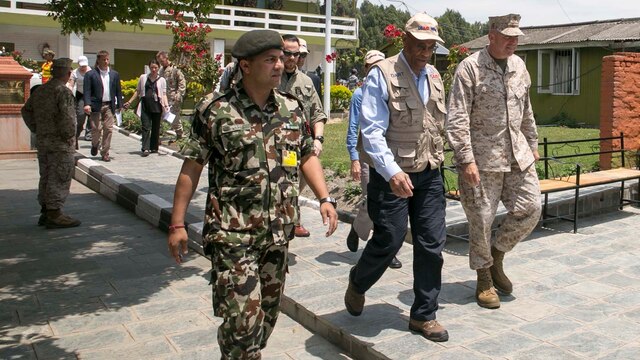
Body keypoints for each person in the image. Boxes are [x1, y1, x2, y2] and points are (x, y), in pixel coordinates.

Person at [167, 29, 338, 359]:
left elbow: (305, 155)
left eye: (281, 59)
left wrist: (325, 198)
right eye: (270, 60)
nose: (280, 66)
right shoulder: (215, 111)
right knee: (243, 321)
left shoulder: (291, 108)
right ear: (245, 66)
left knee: (265, 318)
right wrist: (177, 225)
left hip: (277, 237)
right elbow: (191, 169)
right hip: (232, 237)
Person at [343, 13, 449, 342]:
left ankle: (423, 315)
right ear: (404, 40)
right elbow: (372, 133)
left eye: (430, 46)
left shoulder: (434, 75)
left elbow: (437, 125)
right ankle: (359, 281)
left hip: (429, 173)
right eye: (420, 45)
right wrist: (392, 172)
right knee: (389, 240)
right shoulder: (382, 74)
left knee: (431, 244)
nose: (425, 52)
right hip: (392, 175)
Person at [446, 14, 541, 310]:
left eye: (516, 37)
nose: (513, 42)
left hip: (517, 155)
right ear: (491, 35)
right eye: (507, 36)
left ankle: (497, 255)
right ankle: (484, 278)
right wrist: (466, 159)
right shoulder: (470, 68)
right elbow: (457, 118)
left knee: (531, 207)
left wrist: (533, 143)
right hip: (482, 160)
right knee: (481, 220)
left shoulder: (519, 66)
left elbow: (526, 110)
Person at [345, 49, 402, 269]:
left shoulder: (394, 88)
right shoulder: (359, 94)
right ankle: (362, 230)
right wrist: (354, 158)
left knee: (392, 203)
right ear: (366, 69)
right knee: (373, 199)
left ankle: (386, 248)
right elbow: (353, 128)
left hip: (394, 156)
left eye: (381, 64)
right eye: (371, 66)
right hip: (369, 157)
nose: (376, 69)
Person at [22, 58, 81, 229]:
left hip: (44, 141)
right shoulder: (62, 92)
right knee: (60, 176)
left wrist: (36, 128)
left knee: (46, 175)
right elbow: (69, 119)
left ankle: (46, 210)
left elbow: (25, 110)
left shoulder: (41, 90)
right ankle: (54, 213)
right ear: (68, 73)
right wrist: (69, 136)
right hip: (60, 144)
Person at [278, 34, 327, 238]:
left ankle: (292, 217)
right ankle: (283, 220)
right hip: (274, 145)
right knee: (278, 185)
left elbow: (317, 113)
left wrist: (318, 139)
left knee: (297, 184)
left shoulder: (306, 82)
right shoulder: (271, 77)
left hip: (301, 145)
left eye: (295, 54)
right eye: (287, 53)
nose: (291, 58)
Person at [83, 50, 123, 162]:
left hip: (109, 105)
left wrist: (120, 105)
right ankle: (95, 144)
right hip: (96, 106)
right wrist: (87, 104)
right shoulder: (90, 74)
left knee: (109, 129)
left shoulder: (114, 74)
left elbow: (118, 91)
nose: (106, 62)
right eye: (103, 60)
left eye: (107, 59)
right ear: (98, 60)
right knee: (96, 129)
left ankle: (105, 152)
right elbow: (87, 91)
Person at [124, 59, 170, 156]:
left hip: (157, 105)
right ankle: (145, 147)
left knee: (156, 128)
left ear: (158, 68)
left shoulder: (162, 80)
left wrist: (166, 105)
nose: (153, 70)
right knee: (146, 126)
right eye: (152, 67)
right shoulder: (143, 77)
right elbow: (138, 91)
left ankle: (154, 147)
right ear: (149, 67)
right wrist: (129, 102)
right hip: (145, 105)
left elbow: (164, 94)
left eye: (156, 68)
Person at [157, 51, 186, 143]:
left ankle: (180, 134)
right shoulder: (161, 70)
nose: (161, 63)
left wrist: (179, 94)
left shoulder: (175, 70)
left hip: (173, 99)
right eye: (159, 61)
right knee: (159, 118)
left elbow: (182, 83)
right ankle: (157, 137)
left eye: (162, 61)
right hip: (163, 98)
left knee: (174, 118)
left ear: (166, 58)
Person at [67, 55, 92, 146]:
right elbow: (71, 84)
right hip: (80, 95)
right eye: (81, 66)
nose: (83, 68)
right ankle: (76, 136)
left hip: (91, 95)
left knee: (92, 117)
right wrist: (69, 91)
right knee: (80, 116)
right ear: (78, 64)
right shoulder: (75, 72)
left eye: (84, 66)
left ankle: (89, 134)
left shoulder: (91, 72)